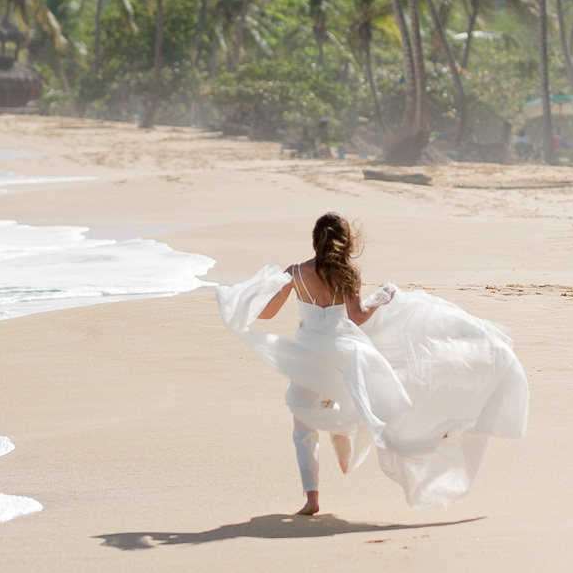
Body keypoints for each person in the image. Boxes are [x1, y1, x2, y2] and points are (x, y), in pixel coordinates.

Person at [216, 212, 529, 515]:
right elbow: (357, 317)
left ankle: (312, 497)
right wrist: (381, 299)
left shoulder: (297, 272)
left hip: (309, 355)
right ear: (345, 242)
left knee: (303, 426)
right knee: (378, 409)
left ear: (315, 241)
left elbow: (269, 313)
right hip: (348, 352)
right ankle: (351, 431)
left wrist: (245, 301)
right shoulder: (349, 273)